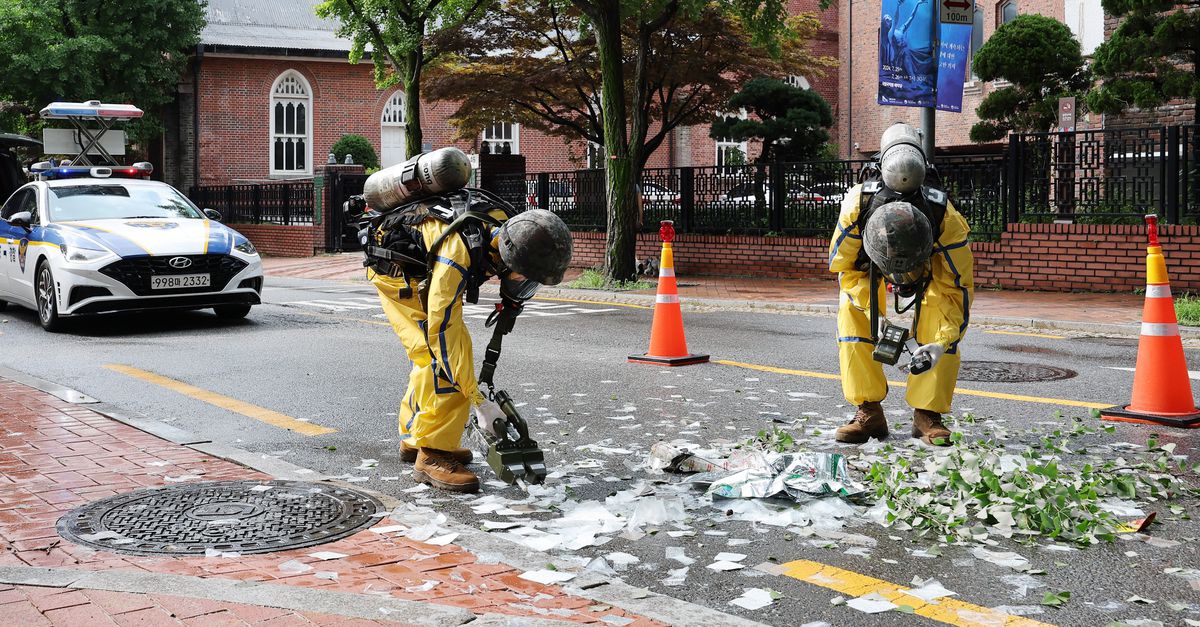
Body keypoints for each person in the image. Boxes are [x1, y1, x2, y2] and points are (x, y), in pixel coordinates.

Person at [365, 186, 572, 493]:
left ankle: (415, 438)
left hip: (423, 268)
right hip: (399, 276)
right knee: (444, 359)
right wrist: (478, 400)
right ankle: (432, 454)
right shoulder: (457, 254)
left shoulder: (509, 229)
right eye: (525, 278)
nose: (524, 286)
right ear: (508, 259)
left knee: (429, 356)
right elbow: (442, 330)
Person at [827, 123, 973, 446]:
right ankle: (868, 411)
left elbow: (957, 290)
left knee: (939, 310)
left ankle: (927, 414)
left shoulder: (944, 218)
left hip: (929, 273)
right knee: (849, 310)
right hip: (869, 271)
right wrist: (874, 312)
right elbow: (843, 267)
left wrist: (941, 344)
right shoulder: (857, 207)